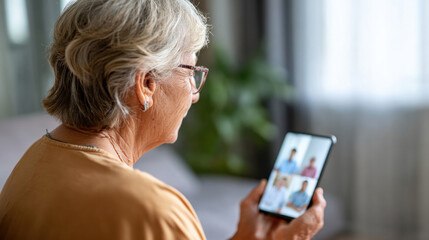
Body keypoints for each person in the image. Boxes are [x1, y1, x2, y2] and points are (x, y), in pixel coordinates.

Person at [0, 0, 326, 239]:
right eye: (192, 71)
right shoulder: (152, 209)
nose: (195, 94)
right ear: (146, 85)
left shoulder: (30, 166)